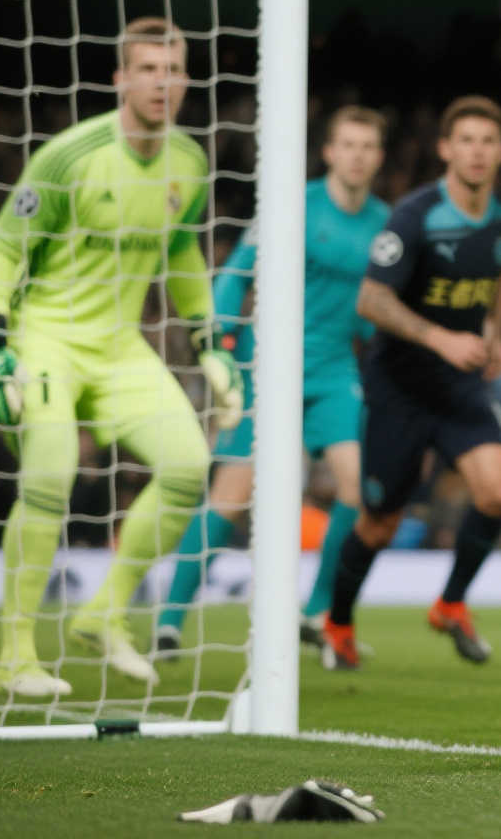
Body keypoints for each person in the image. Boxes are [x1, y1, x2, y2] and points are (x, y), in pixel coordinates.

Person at [0, 17, 243, 696]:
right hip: (47, 337)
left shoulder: (189, 162)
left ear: (187, 80)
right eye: (148, 69)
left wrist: (208, 341)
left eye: (173, 70)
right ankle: (15, 658)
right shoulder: (72, 155)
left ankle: (104, 613)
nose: (161, 82)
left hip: (121, 347)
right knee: (52, 466)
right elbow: (3, 247)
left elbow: (182, 250)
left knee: (188, 466)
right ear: (121, 78)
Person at [153, 107, 390, 654]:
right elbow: (237, 273)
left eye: (367, 146)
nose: (357, 156)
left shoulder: (384, 223)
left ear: (379, 157)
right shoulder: (294, 204)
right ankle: (169, 620)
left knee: (358, 488)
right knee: (232, 494)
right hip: (269, 365)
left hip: (333, 370)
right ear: (329, 153)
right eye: (348, 145)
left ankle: (318, 611)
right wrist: (222, 345)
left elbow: (368, 308)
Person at [319, 96, 501, 670]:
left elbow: (498, 273)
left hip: (460, 387)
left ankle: (451, 604)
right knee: (379, 523)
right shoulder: (414, 216)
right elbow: (371, 299)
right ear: (445, 149)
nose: (477, 152)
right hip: (398, 389)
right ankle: (337, 623)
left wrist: (493, 332)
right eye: (466, 141)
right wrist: (441, 339)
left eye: (488, 141)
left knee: (499, 491)